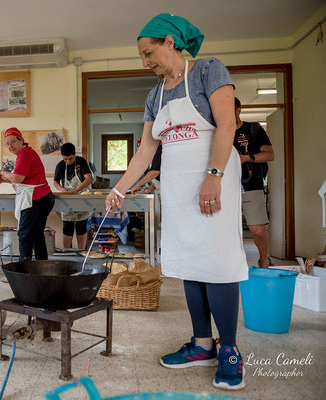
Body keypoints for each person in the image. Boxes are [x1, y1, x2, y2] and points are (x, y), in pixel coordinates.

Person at [105, 13, 248, 391]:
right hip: (178, 187)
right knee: (188, 260)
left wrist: (213, 177)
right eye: (141, 56)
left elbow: (227, 126)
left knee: (216, 261)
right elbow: (144, 153)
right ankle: (203, 344)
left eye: (148, 52)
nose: (145, 61)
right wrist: (118, 189)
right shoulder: (155, 96)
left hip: (212, 180)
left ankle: (230, 350)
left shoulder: (208, 71)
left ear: (170, 42)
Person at [0, 128, 55, 261]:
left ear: (21, 141)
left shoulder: (25, 153)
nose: (10, 146)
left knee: (25, 234)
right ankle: (41, 267)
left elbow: (17, 178)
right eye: (7, 144)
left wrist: (1, 172)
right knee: (37, 234)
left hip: (37, 199)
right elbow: (24, 179)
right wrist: (3, 180)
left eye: (13, 142)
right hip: (42, 198)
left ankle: (24, 269)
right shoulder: (26, 153)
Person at [233, 97, 275, 267]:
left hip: (251, 186)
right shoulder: (218, 132)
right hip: (226, 189)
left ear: (238, 110)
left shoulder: (253, 129)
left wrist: (246, 158)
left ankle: (264, 260)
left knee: (257, 230)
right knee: (226, 232)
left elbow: (270, 155)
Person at [53, 142, 94, 249]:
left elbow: (89, 179)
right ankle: (67, 253)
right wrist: (61, 189)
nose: (68, 161)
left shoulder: (81, 162)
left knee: (81, 226)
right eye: (65, 159)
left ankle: (81, 253)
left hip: (81, 197)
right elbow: (55, 182)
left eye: (70, 158)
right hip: (67, 198)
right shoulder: (60, 165)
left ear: (75, 154)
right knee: (67, 227)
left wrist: (76, 190)